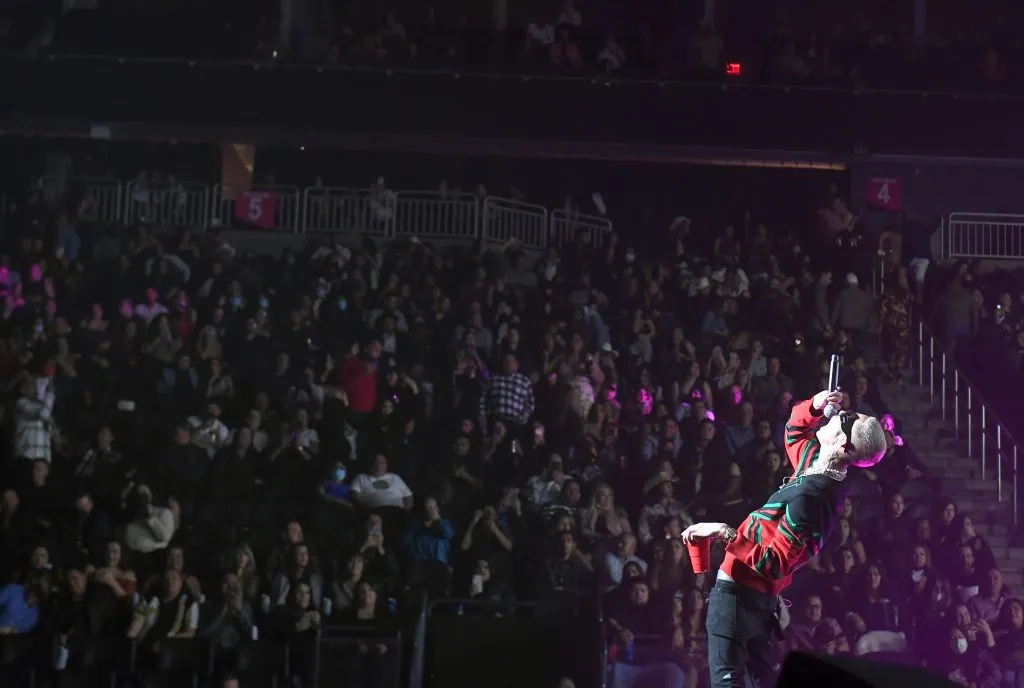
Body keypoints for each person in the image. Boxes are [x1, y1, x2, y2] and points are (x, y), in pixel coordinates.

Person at [683, 388, 886, 688]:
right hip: (752, 600)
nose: (842, 412)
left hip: (742, 598)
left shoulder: (813, 498)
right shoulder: (819, 466)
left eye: (848, 418)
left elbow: (774, 564)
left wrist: (724, 532)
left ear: (843, 443)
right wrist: (815, 405)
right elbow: (794, 431)